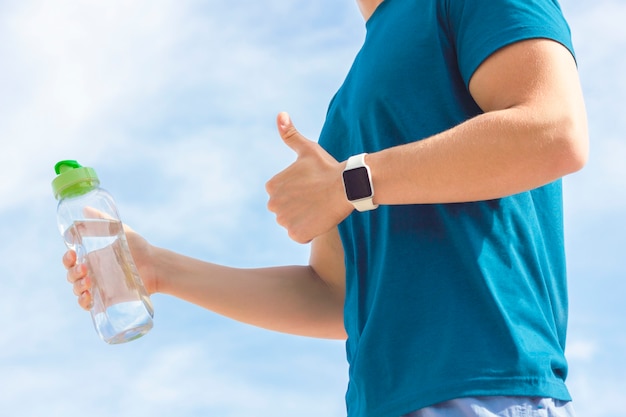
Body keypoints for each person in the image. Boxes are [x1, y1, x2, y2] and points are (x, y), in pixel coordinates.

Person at [63, 0, 589, 416]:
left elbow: (554, 132)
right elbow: (336, 295)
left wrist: (351, 182)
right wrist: (160, 268)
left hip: (489, 387)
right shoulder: (349, 101)